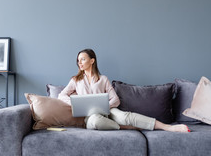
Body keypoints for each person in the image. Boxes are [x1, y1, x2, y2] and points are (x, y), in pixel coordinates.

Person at [58, 49, 190, 132]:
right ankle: (122, 127)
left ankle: (167, 127)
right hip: (90, 115)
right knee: (96, 122)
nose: (79, 62)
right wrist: (75, 102)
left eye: (83, 59)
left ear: (92, 61)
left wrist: (104, 106)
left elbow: (115, 99)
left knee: (126, 116)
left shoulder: (103, 79)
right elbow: (61, 95)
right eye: (78, 60)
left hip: (108, 110)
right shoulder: (76, 80)